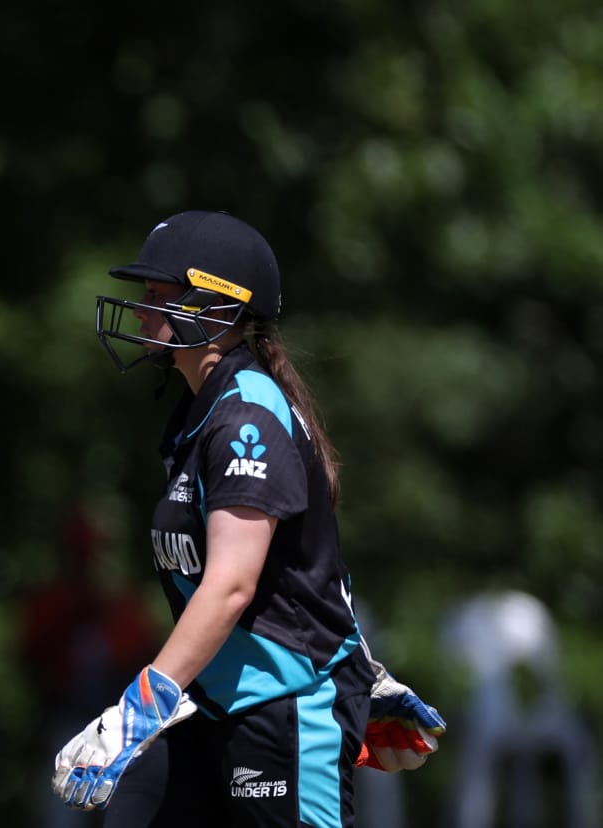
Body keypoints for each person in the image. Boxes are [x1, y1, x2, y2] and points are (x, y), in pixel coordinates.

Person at [54, 211, 447, 827]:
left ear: (216, 307)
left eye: (158, 294)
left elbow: (232, 585)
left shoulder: (246, 417)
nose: (139, 310)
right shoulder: (197, 412)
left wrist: (140, 707)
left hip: (285, 710)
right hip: (212, 705)